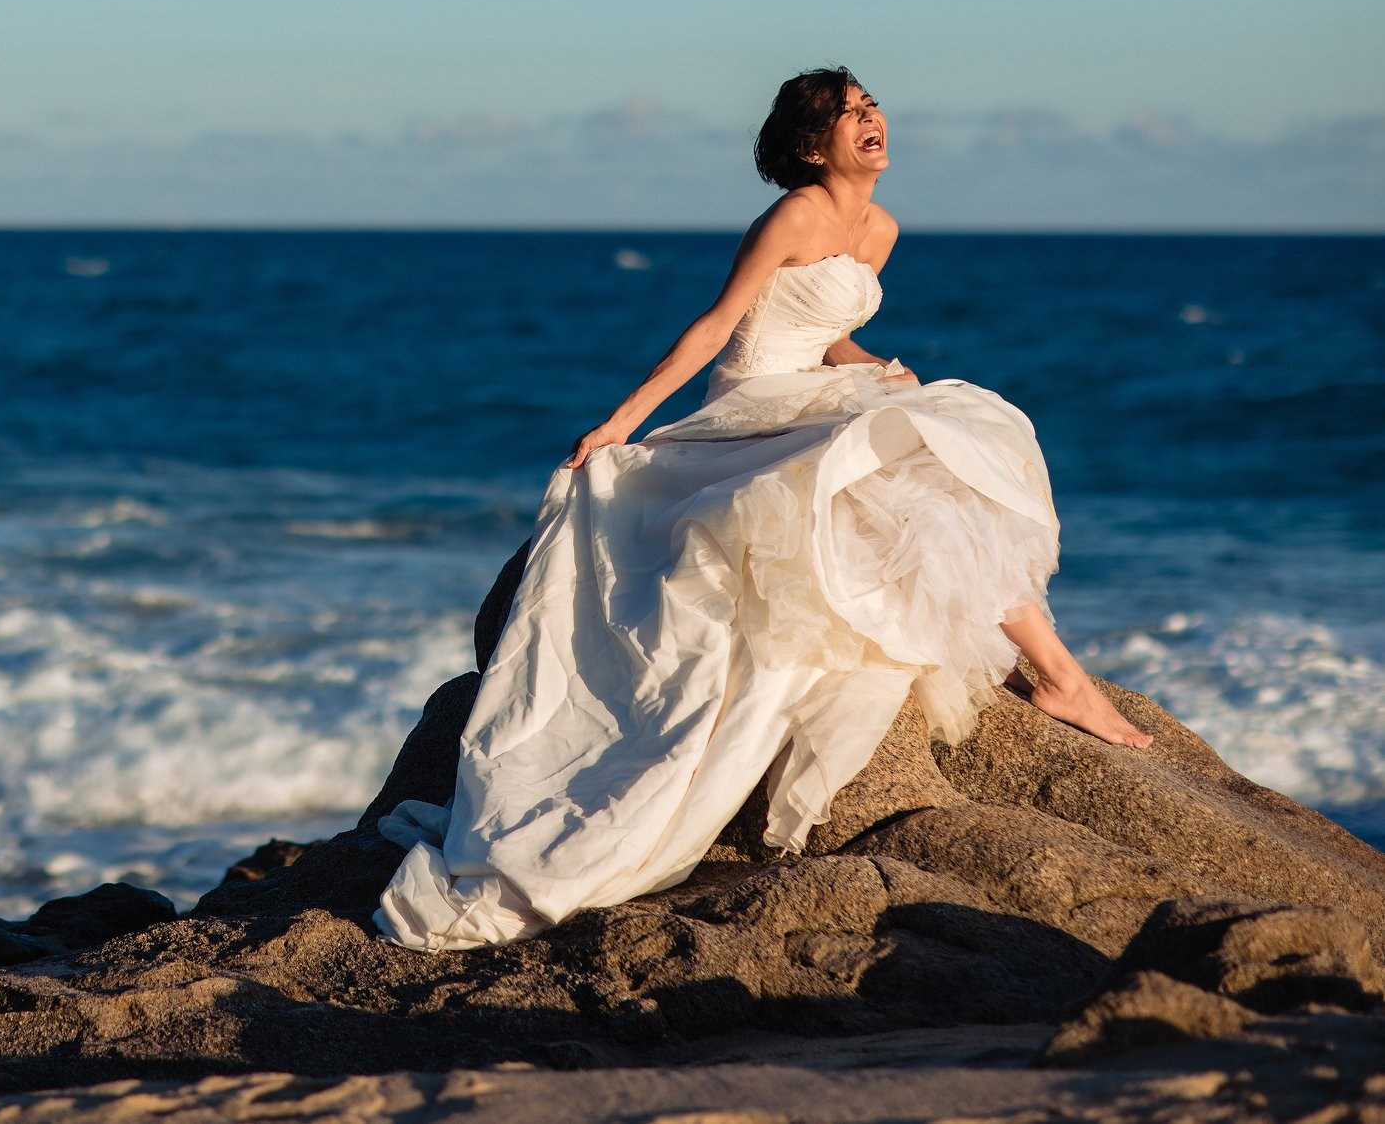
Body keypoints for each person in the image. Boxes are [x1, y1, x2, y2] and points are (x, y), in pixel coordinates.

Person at [375, 67, 1153, 952]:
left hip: (815, 397)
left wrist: (875, 369)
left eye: (869, 106)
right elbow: (718, 329)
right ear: (810, 147)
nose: (869, 120)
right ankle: (1061, 679)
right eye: (846, 114)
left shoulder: (882, 229)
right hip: (751, 408)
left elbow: (827, 337)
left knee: (948, 449)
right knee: (912, 470)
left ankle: (1057, 675)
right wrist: (622, 421)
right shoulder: (790, 217)